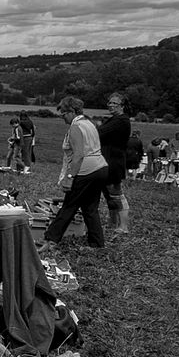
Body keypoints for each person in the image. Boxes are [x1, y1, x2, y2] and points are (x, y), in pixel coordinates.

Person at [38, 96, 108, 252]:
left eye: (63, 114)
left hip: (85, 170)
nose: (62, 118)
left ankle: (50, 241)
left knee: (69, 206)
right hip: (101, 168)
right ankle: (97, 244)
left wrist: (70, 178)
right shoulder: (89, 123)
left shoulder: (75, 127)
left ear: (71, 111)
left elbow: (78, 155)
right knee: (90, 208)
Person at [97, 93, 131, 236]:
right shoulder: (114, 119)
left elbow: (100, 132)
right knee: (108, 194)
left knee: (116, 194)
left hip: (114, 162)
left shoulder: (121, 120)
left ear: (122, 106)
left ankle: (123, 226)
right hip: (106, 161)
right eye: (109, 103)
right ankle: (113, 223)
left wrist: (98, 127)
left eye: (114, 103)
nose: (110, 105)